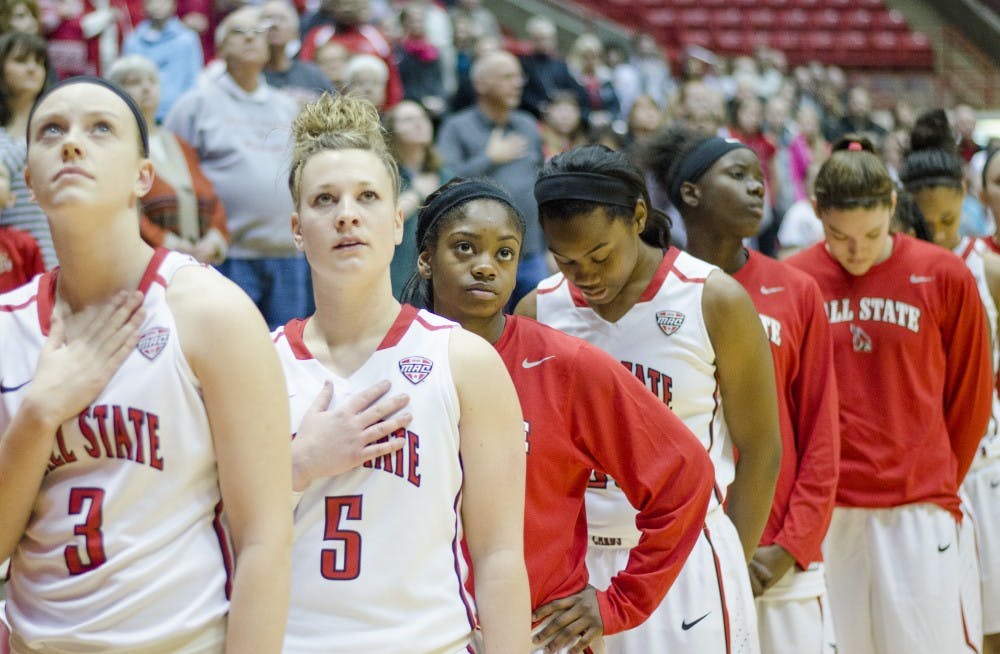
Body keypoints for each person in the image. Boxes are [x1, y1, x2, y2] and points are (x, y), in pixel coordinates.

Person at [0, 76, 291, 652]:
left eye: (100, 129)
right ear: (29, 179)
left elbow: (264, 537)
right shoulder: (6, 325)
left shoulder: (212, 311)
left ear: (142, 176)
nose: (71, 143)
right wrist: (38, 416)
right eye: (51, 130)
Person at [401, 176, 714, 653]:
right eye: (465, 248)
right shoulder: (391, 363)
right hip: (418, 630)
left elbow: (685, 476)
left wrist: (620, 603)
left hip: (539, 633)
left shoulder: (567, 365)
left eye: (504, 253)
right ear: (425, 258)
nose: (485, 267)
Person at [275, 92, 529, 654]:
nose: (346, 213)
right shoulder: (257, 364)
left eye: (366, 196)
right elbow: (217, 529)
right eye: (324, 199)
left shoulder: (463, 360)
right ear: (297, 228)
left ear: (396, 223)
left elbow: (500, 556)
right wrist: (299, 464)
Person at [517, 144, 782, 653]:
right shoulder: (539, 310)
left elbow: (762, 450)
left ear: (638, 216)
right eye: (567, 261)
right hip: (576, 571)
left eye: (600, 255)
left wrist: (725, 557)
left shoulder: (712, 298)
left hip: (683, 559)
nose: (586, 275)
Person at [786, 136, 994, 654]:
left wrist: (936, 474)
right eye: (839, 236)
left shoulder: (944, 275)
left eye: (872, 234)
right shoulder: (794, 280)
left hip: (918, 508)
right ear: (817, 214)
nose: (855, 250)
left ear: (893, 208)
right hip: (829, 510)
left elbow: (970, 397)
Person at [642, 127, 840, 654]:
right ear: (690, 192)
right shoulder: (652, 293)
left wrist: (790, 547)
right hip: (687, 563)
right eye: (738, 176)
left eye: (760, 180)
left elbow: (820, 433)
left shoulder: (796, 289)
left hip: (778, 561)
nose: (759, 190)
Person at [899, 109, 1000, 654]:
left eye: (948, 222)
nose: (938, 235)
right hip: (920, 467)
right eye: (926, 224)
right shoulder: (892, 269)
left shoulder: (985, 267)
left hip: (985, 460)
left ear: (967, 197)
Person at [166, 6, 307, 329]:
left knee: (287, 353)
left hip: (287, 254)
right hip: (225, 255)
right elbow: (172, 172)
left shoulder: (285, 106)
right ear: (220, 46)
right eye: (238, 33)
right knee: (227, 349)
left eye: (257, 33)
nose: (249, 39)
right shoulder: (196, 104)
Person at [436, 49, 545, 310]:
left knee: (535, 333)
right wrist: (489, 158)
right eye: (508, 76)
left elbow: (540, 185)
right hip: (480, 260)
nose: (518, 83)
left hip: (531, 253)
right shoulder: (457, 126)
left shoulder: (528, 124)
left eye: (519, 77)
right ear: (481, 84)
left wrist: (549, 247)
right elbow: (444, 183)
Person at [107, 54, 228, 264]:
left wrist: (213, 241)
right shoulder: (114, 147)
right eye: (135, 82)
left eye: (152, 81)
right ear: (115, 94)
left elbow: (212, 197)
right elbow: (121, 211)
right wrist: (171, 245)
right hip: (144, 265)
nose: (146, 88)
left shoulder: (179, 143)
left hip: (195, 263)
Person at [383, 99, 449, 298]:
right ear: (392, 131)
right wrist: (417, 194)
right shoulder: (384, 174)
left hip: (437, 280)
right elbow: (382, 221)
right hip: (396, 277)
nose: (419, 123)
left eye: (422, 118)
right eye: (409, 119)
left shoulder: (443, 174)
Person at [0, 32, 54, 268]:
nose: (32, 69)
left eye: (39, 62)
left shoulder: (61, 129)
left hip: (55, 256)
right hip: (10, 263)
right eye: (21, 61)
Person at [121, 0, 203, 121]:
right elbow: (126, 81)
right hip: (141, 115)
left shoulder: (187, 40)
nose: (158, 5)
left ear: (173, 5)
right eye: (152, 1)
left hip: (179, 116)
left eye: (163, 1)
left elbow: (194, 79)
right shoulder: (133, 41)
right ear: (144, 6)